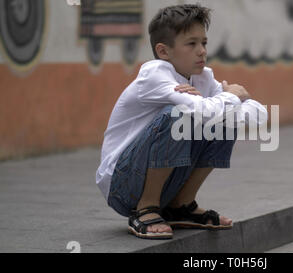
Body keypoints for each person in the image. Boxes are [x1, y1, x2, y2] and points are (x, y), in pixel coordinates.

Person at [95, 4, 267, 240]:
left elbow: (259, 115)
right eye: (191, 44)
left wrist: (221, 103)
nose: (202, 51)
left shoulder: (202, 77)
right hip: (123, 184)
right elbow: (206, 108)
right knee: (179, 114)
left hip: (169, 183)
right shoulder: (154, 74)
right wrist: (231, 97)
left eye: (204, 43)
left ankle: (181, 206)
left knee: (222, 119)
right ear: (164, 51)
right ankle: (146, 208)